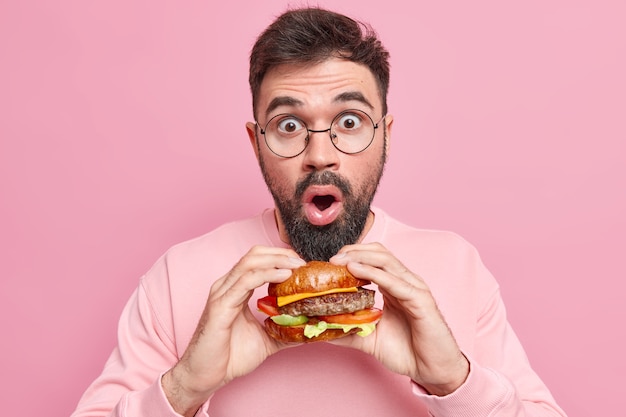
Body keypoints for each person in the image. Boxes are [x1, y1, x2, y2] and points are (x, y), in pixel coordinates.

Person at [71, 7, 567, 417]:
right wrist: (183, 388)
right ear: (256, 142)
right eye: (288, 125)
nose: (320, 154)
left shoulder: (457, 266)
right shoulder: (178, 276)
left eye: (349, 120)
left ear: (386, 134)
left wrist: (454, 381)